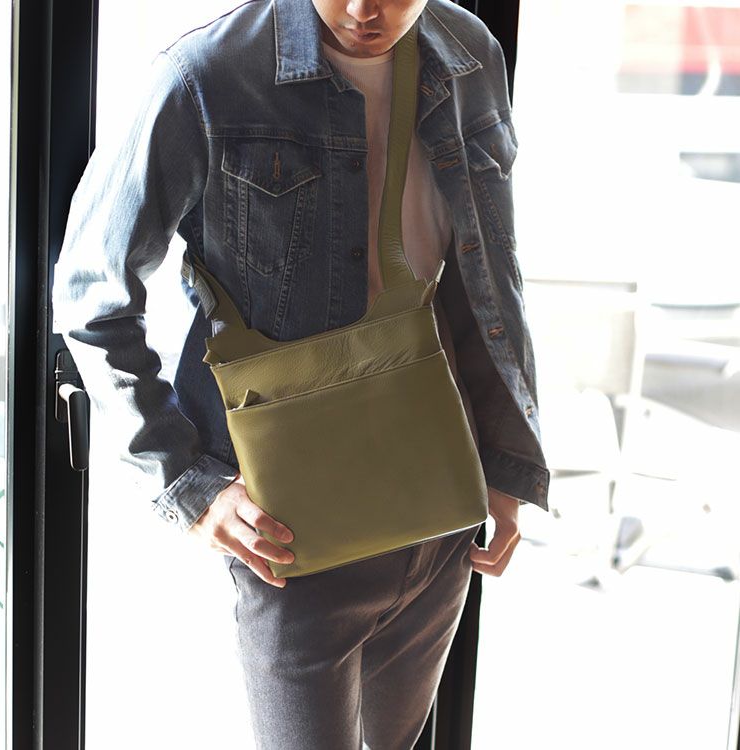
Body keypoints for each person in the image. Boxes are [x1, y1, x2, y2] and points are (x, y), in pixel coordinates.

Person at [52, 0, 550, 746]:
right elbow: (93, 294)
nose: (364, 9)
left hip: (441, 497)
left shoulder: (468, 54)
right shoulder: (205, 77)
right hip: (292, 525)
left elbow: (488, 277)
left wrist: (508, 465)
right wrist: (187, 484)